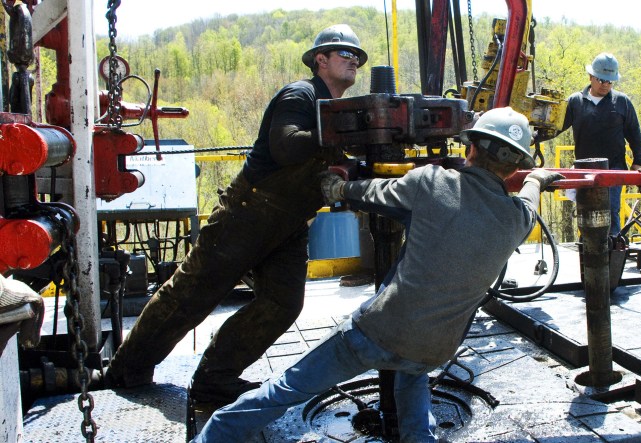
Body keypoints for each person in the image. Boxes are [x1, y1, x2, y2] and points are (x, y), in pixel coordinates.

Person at [191, 107, 565, 442]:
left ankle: (212, 438)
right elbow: (529, 200)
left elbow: (374, 192)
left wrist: (339, 187)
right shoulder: (517, 219)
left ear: (470, 148)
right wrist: (538, 180)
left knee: (286, 390)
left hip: (378, 332)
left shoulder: (433, 182)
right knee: (412, 376)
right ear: (515, 168)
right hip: (435, 348)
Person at [106, 24, 368, 404]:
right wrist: (345, 134)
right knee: (191, 296)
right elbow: (286, 147)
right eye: (345, 54)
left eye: (357, 57)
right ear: (320, 60)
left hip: (288, 223)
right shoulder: (301, 94)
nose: (354, 61)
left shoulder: (333, 110)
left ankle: (216, 377)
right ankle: (126, 372)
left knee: (282, 303)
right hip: (246, 215)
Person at [560, 52, 641, 236]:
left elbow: (634, 133)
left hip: (614, 170)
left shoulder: (621, 102)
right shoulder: (575, 101)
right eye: (601, 80)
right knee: (586, 213)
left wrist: (638, 161)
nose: (605, 85)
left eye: (609, 82)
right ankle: (589, 251)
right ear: (591, 77)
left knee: (611, 211)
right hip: (585, 170)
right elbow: (558, 126)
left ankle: (613, 249)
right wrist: (533, 137)